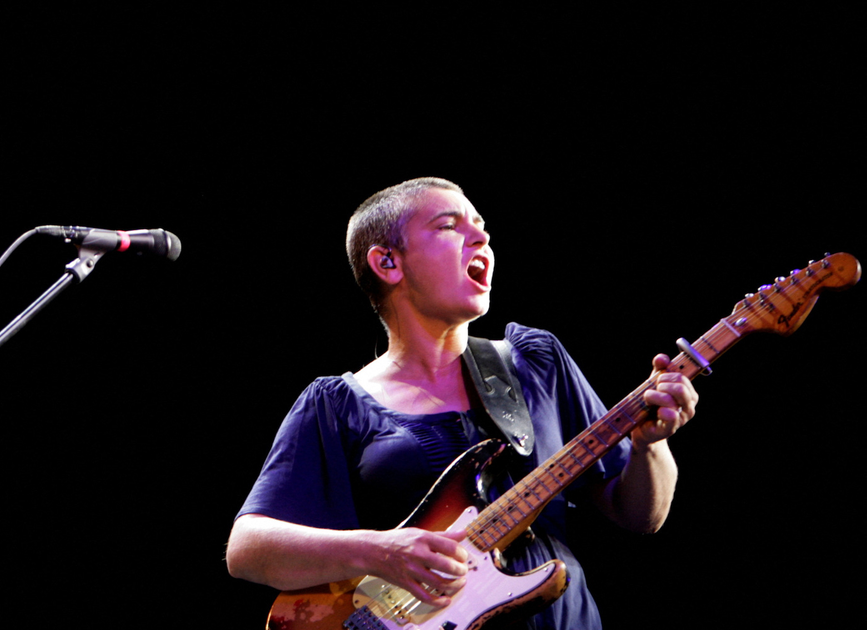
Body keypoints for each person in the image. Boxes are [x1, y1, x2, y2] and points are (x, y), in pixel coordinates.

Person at [225, 177, 696, 629]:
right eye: (451, 226)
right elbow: (247, 549)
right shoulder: (337, 404)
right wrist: (382, 551)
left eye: (482, 226)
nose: (481, 236)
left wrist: (649, 446)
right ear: (388, 263)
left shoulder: (536, 362)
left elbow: (641, 517)